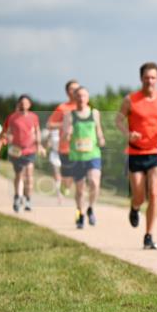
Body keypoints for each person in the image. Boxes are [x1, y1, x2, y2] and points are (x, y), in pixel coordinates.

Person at [116, 61, 157, 249]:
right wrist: (128, 133)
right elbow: (118, 119)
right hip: (136, 151)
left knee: (154, 193)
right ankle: (135, 208)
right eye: (146, 77)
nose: (150, 81)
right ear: (141, 78)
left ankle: (148, 235)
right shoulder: (131, 100)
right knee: (139, 196)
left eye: (153, 77)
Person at [63, 87, 105, 229]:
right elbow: (65, 136)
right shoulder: (70, 115)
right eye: (79, 96)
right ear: (75, 98)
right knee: (80, 190)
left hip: (93, 154)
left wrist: (101, 139)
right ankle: (79, 214)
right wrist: (68, 133)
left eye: (84, 96)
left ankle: (91, 208)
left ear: (88, 98)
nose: (81, 99)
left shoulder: (94, 113)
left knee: (94, 182)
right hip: (77, 156)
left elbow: (98, 129)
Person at [3, 95, 44, 212]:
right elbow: (9, 132)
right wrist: (8, 139)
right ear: (18, 104)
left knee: (29, 175)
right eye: (21, 103)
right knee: (19, 175)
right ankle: (17, 196)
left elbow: (37, 131)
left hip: (30, 149)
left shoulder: (34, 117)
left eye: (26, 103)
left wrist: (39, 145)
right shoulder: (12, 117)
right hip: (17, 151)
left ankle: (28, 199)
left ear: (29, 105)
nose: (23, 105)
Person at [46, 79, 80, 203]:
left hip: (81, 148)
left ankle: (78, 201)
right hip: (65, 147)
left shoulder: (84, 107)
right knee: (67, 178)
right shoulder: (62, 107)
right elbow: (49, 125)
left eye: (78, 88)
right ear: (67, 92)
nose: (76, 91)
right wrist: (63, 124)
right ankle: (63, 188)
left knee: (77, 177)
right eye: (72, 89)